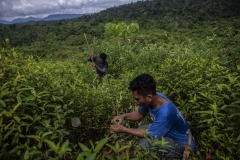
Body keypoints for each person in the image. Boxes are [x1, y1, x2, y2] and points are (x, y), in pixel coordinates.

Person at [110, 73, 195, 159]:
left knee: (145, 144)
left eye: (137, 99)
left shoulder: (166, 113)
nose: (135, 101)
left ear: (149, 97)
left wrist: (124, 129)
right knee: (142, 128)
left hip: (181, 144)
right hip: (169, 133)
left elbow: (149, 134)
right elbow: (140, 113)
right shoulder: (155, 97)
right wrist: (123, 116)